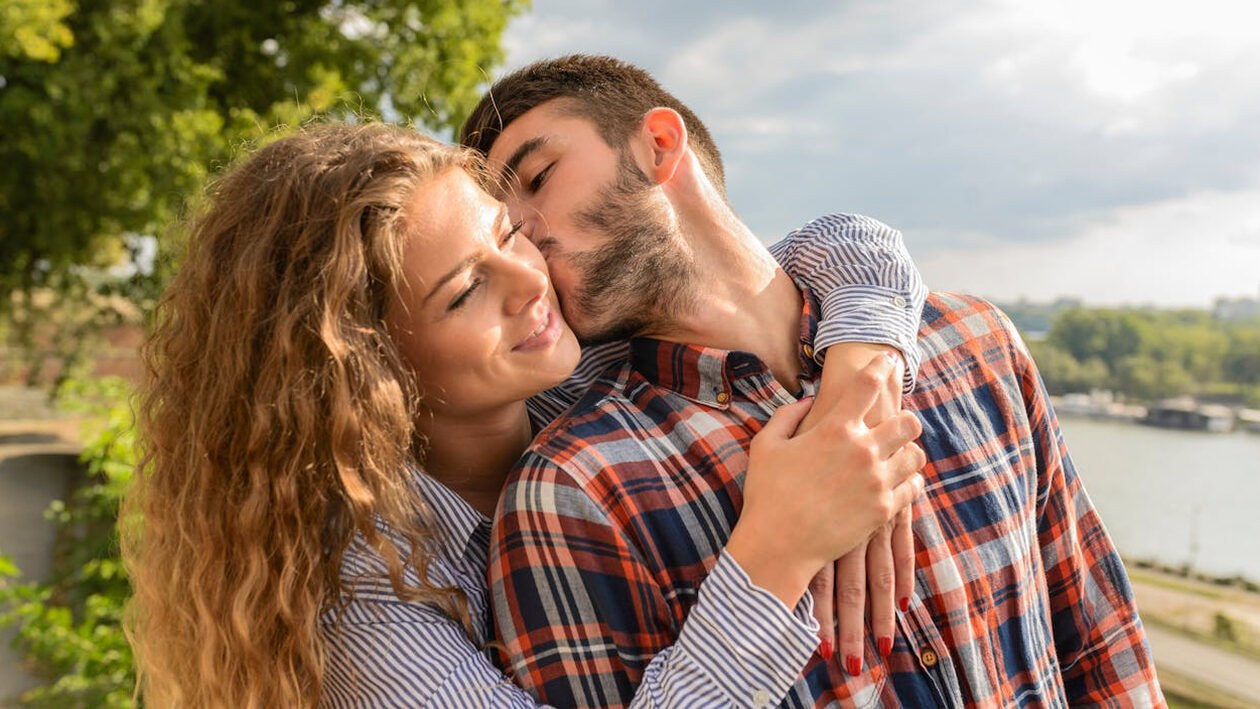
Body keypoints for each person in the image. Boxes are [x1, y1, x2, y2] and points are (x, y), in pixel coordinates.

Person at [122, 122, 931, 707]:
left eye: (509, 231)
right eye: (467, 290)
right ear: (367, 369)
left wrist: (859, 385)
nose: (529, 280)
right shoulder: (364, 600)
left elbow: (837, 249)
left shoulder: (582, 370)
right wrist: (774, 554)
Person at [460, 55, 1164, 707]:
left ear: (660, 146)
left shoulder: (977, 343)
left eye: (538, 177)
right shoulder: (570, 493)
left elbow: (1102, 648)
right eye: (503, 229)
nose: (524, 233)